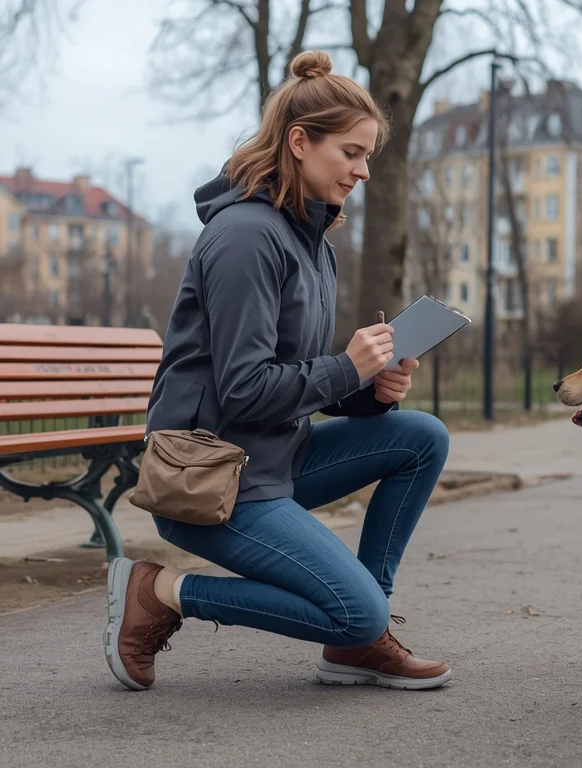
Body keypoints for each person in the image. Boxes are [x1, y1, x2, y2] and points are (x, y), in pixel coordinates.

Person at [103, 50, 452, 692]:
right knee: (353, 610)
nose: (363, 170)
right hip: (209, 479)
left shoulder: (310, 242)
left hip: (270, 460)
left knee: (420, 435)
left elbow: (293, 380)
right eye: (351, 152)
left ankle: (358, 645)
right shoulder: (246, 237)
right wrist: (347, 365)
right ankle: (162, 592)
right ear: (299, 142)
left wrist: (369, 389)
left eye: (367, 155)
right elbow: (245, 390)